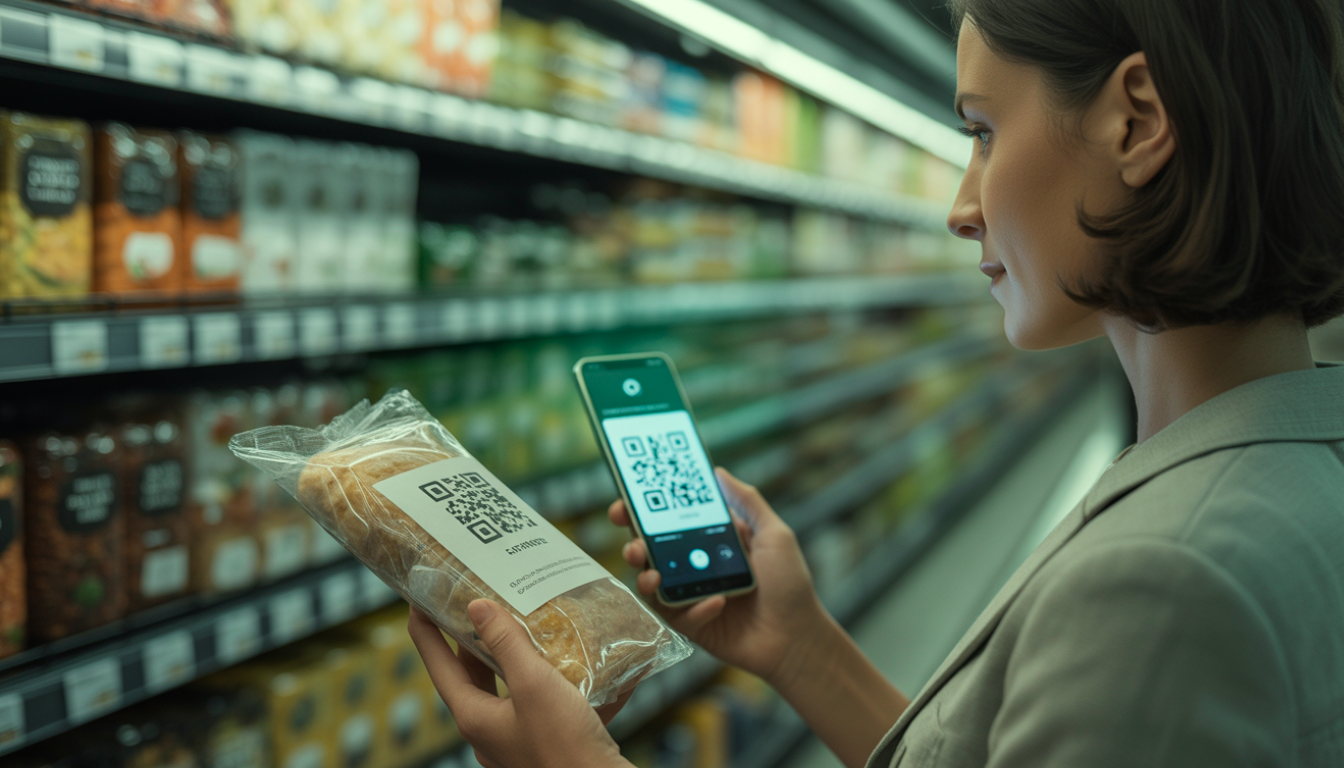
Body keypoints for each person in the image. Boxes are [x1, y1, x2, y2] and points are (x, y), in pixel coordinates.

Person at [407, 0, 1344, 765]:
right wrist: (801, 643)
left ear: (1136, 120)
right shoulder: (1293, 467)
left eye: (983, 131)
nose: (960, 208)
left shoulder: (1164, 580)